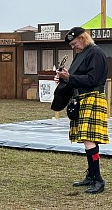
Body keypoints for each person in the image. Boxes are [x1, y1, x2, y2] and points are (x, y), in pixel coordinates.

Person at [54, 27, 109, 194]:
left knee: (89, 139)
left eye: (74, 43)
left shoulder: (96, 53)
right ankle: (92, 175)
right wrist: (63, 79)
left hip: (93, 97)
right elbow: (75, 79)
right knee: (87, 140)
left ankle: (98, 180)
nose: (73, 47)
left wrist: (69, 77)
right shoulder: (80, 55)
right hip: (82, 99)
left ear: (82, 38)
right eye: (71, 45)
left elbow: (93, 79)